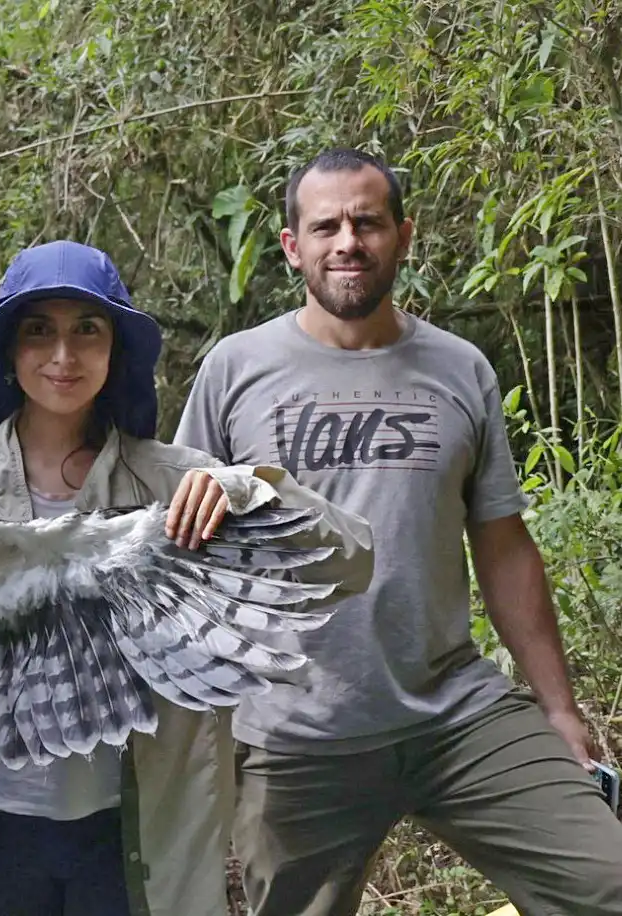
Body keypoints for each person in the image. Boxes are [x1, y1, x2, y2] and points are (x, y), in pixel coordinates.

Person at [174, 147, 622, 916]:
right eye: (326, 226)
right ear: (293, 247)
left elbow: (505, 548)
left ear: (402, 236)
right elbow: (182, 550)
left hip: (455, 711)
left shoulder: (459, 368)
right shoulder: (234, 368)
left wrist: (558, 708)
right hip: (294, 736)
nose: (348, 240)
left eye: (367, 222)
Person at [0, 240, 374, 916]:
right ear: (8, 348)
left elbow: (350, 561)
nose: (63, 356)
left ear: (115, 351)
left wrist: (246, 490)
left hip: (133, 834)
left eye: (86, 331)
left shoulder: (177, 484)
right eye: (39, 330)